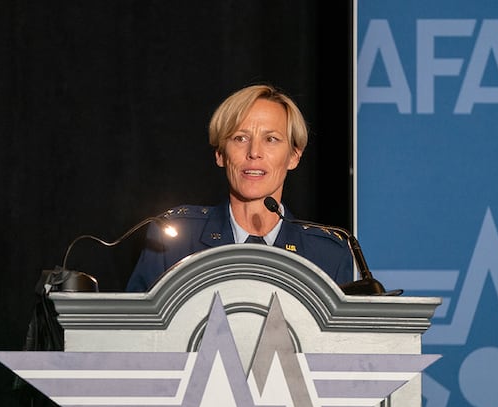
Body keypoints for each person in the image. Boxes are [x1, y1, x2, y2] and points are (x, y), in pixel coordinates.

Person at [126, 84, 355, 292]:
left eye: (271, 139)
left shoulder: (329, 255)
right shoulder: (174, 241)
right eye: (240, 138)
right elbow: (137, 333)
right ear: (220, 154)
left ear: (294, 156)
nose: (254, 152)